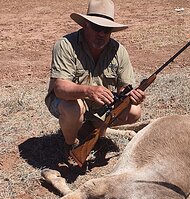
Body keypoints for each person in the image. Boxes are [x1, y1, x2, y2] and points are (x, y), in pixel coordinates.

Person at [45, 0, 146, 166]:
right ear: (85, 25)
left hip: (100, 106)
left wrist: (132, 96)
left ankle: (92, 128)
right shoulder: (65, 45)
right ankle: (70, 145)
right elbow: (60, 89)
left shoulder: (119, 51)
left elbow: (124, 88)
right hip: (67, 101)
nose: (101, 34)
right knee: (73, 109)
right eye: (97, 28)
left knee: (133, 111)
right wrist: (89, 91)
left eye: (106, 30)